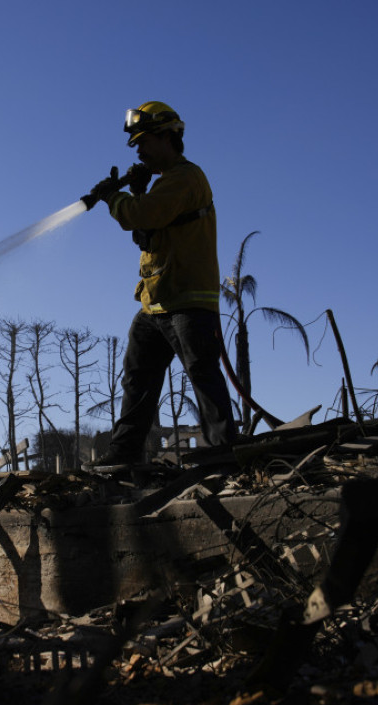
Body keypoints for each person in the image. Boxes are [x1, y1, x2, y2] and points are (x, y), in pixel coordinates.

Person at [88, 101, 236, 470]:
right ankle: (125, 452)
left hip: (188, 300)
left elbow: (140, 217)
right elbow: (147, 233)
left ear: (168, 137)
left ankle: (224, 453)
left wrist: (115, 197)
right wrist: (136, 192)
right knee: (137, 380)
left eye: (144, 141)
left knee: (202, 375)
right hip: (156, 303)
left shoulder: (185, 178)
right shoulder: (163, 186)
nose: (138, 151)